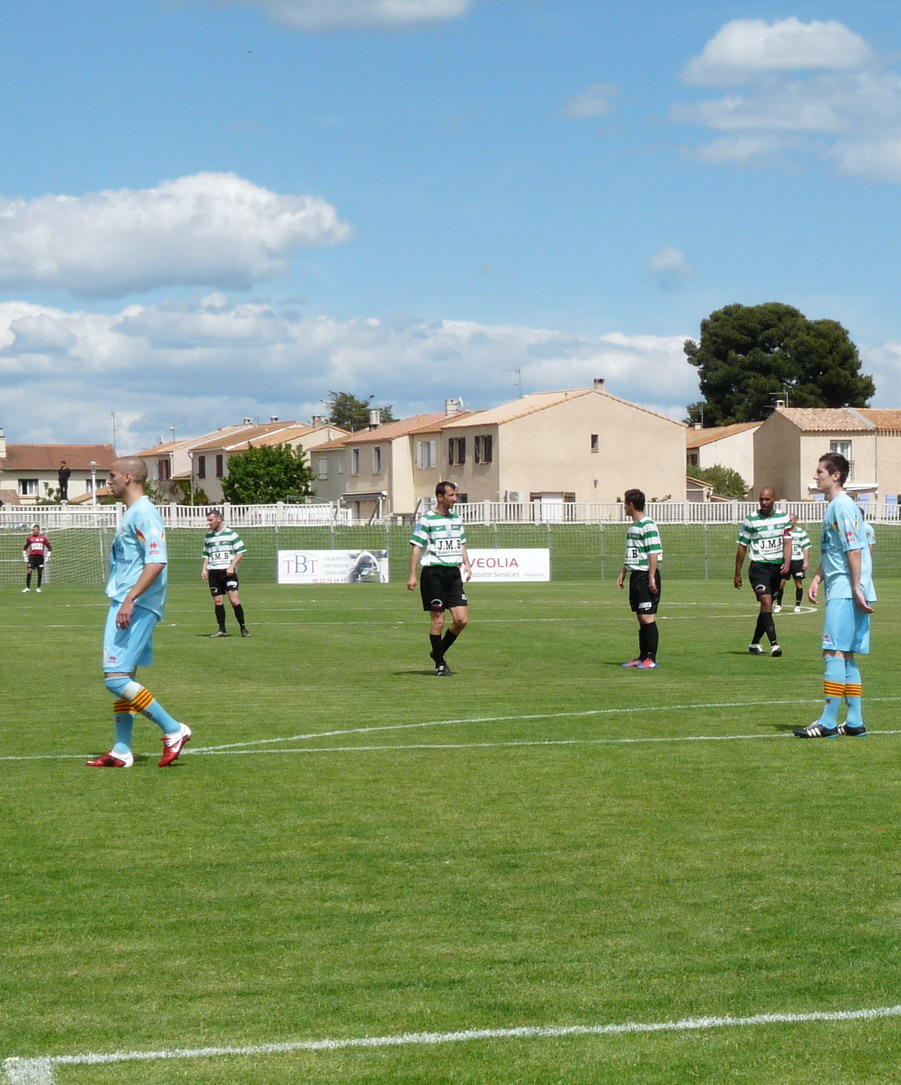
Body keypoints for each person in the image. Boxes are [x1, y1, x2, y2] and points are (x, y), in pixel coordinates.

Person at [87, 457, 191, 768]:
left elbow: (157, 561)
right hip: (127, 600)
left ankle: (174, 729)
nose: (109, 481)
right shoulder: (133, 512)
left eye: (112, 475)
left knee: (115, 679)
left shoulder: (145, 513)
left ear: (129, 477)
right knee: (126, 677)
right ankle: (122, 749)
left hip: (136, 603)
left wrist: (131, 598)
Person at [794, 453, 875, 738]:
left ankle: (828, 722)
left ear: (835, 475)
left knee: (832, 652)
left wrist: (855, 587)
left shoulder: (841, 506)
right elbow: (837, 551)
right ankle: (854, 722)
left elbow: (854, 549)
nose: (816, 476)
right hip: (842, 585)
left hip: (845, 589)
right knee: (847, 656)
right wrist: (817, 577)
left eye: (820, 472)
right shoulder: (836, 507)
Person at [407, 481, 472, 676]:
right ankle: (440, 664)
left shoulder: (457, 519)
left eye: (456, 495)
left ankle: (438, 652)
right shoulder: (427, 520)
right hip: (433, 574)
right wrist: (412, 574)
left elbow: (461, 543)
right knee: (439, 621)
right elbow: (417, 547)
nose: (455, 499)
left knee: (462, 620)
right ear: (440, 497)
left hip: (453, 574)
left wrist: (467, 563)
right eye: (451, 495)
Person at [734, 486, 792, 656]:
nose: (764, 503)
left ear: (774, 499)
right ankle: (775, 644)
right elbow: (742, 547)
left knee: (766, 608)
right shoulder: (751, 520)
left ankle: (754, 643)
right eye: (761, 499)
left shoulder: (783, 518)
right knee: (766, 601)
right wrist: (737, 573)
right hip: (759, 567)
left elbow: (788, 542)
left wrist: (787, 563)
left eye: (767, 499)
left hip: (777, 567)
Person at [617, 488, 663, 669]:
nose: (624, 508)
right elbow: (633, 553)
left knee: (647, 618)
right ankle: (642, 657)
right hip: (636, 575)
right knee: (640, 617)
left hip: (646, 575)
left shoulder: (648, 525)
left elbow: (653, 553)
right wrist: (624, 572)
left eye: (624, 504)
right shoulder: (634, 527)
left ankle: (651, 658)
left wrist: (651, 577)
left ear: (630, 504)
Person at [202, 509, 250, 638]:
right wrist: (204, 569)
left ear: (219, 519)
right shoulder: (208, 536)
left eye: (211, 520)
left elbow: (241, 551)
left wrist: (232, 566)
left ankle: (243, 629)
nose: (209, 523)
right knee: (218, 601)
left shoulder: (231, 534)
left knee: (234, 600)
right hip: (214, 572)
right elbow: (207, 554)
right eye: (208, 520)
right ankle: (222, 629)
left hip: (228, 572)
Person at [774, 514, 811, 614]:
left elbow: (806, 547)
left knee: (798, 583)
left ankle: (798, 605)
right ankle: (778, 604)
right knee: (781, 583)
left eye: (790, 520)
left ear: (795, 521)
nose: (789, 522)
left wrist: (806, 561)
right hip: (786, 561)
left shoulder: (801, 533)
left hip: (797, 561)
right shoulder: (784, 533)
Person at [22, 524, 52, 592]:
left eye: (36, 530)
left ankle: (38, 587)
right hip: (32, 557)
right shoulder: (30, 538)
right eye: (34, 530)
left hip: (40, 557)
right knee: (29, 571)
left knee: (39, 572)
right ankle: (27, 588)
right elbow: (25, 548)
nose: (34, 531)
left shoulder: (43, 538)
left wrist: (47, 556)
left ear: (39, 530)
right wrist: (24, 556)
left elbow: (49, 547)